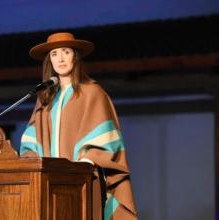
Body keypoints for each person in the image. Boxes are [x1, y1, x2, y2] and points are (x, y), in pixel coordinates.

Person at [20, 32, 137, 220]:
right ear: (49, 60)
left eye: (66, 52)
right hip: (49, 183)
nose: (60, 59)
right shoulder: (46, 98)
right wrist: (31, 158)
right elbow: (31, 141)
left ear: (75, 56)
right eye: (54, 54)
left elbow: (106, 138)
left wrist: (87, 160)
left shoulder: (92, 92)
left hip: (83, 181)